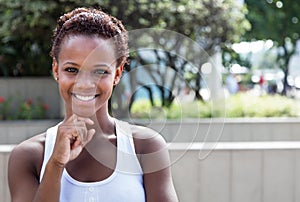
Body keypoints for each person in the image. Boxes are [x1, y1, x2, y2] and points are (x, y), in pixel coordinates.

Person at [8, 7, 178, 202]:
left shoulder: (146, 147)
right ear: (56, 70)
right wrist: (55, 164)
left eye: (100, 71)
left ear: (117, 73)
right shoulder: (29, 156)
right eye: (72, 69)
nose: (85, 84)